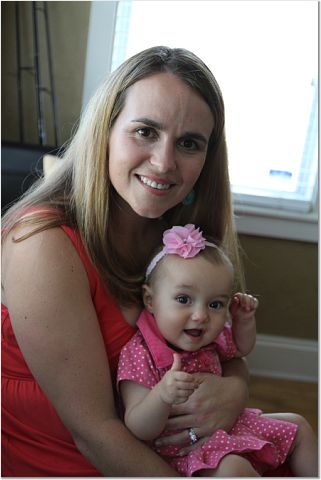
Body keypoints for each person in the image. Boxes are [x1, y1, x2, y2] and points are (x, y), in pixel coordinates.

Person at [1, 46, 251, 476]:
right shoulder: (41, 244)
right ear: (106, 131)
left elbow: (213, 346)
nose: (164, 162)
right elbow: (94, 433)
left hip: (176, 456)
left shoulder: (181, 241)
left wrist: (237, 388)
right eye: (145, 131)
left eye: (189, 143)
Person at [118, 224, 318, 477]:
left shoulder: (211, 336)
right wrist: (162, 395)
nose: (201, 316)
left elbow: (241, 350)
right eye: (183, 299)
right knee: (235, 469)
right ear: (150, 300)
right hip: (187, 449)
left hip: (230, 425)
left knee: (299, 425)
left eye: (215, 304)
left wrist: (243, 321)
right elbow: (137, 426)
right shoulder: (140, 352)